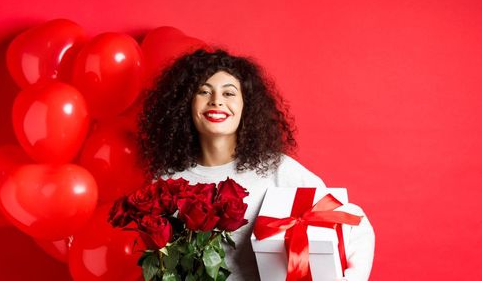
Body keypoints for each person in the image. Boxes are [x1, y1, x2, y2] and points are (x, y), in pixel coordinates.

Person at [138, 48, 375, 281]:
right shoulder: (165, 182)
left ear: (246, 106)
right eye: (203, 92)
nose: (216, 101)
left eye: (229, 93)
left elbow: (354, 223)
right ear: (186, 105)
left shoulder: (276, 168)